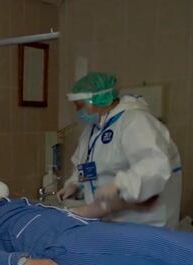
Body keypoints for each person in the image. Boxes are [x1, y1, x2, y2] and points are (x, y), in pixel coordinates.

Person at [0, 169, 193, 265]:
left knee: (154, 238)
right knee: (149, 245)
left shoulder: (14, 205)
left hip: (77, 228)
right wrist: (24, 261)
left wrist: (103, 207)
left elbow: (63, 215)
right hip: (58, 245)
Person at [57, 72, 182, 229]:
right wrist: (74, 183)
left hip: (144, 225)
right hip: (108, 222)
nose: (78, 111)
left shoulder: (135, 121)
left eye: (80, 105)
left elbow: (154, 166)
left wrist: (119, 185)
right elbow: (83, 161)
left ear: (98, 99)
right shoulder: (91, 131)